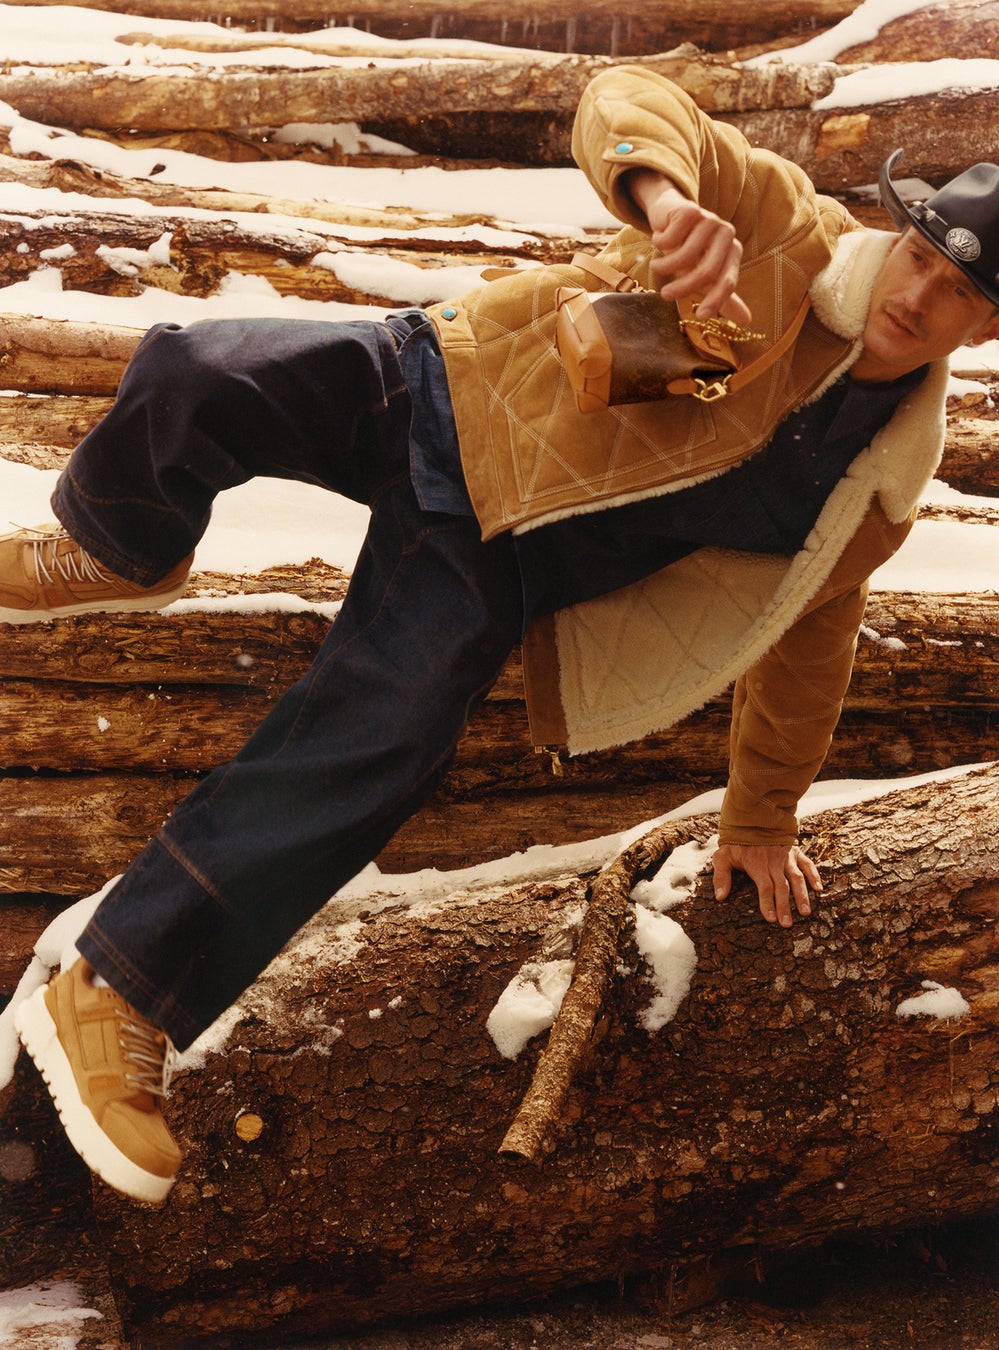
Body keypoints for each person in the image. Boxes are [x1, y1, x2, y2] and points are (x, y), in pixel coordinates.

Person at [7, 66, 999, 1204]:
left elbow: (809, 634)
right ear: (896, 233)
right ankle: (121, 546)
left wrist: (765, 815)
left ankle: (118, 991)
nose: (918, 295)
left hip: (497, 559)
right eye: (919, 256)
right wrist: (666, 198)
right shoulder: (786, 229)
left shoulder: (875, 485)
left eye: (957, 292)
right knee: (193, 374)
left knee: (381, 738)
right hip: (450, 384)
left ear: (986, 327)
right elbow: (631, 97)